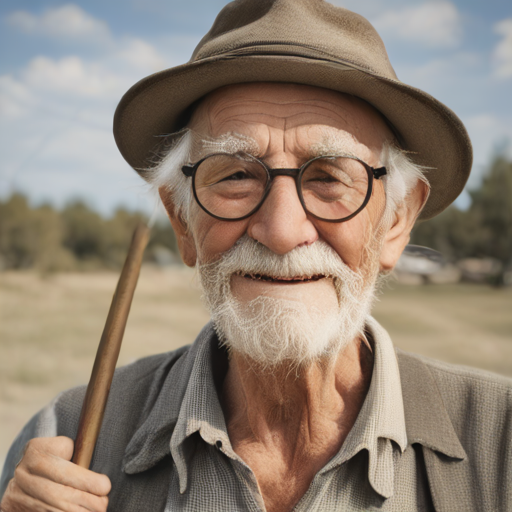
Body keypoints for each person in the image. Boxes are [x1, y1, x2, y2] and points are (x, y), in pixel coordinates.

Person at [1, 1, 511, 511]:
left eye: (329, 177)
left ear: (396, 220)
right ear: (182, 222)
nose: (282, 231)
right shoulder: (67, 442)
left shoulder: (501, 446)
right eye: (236, 176)